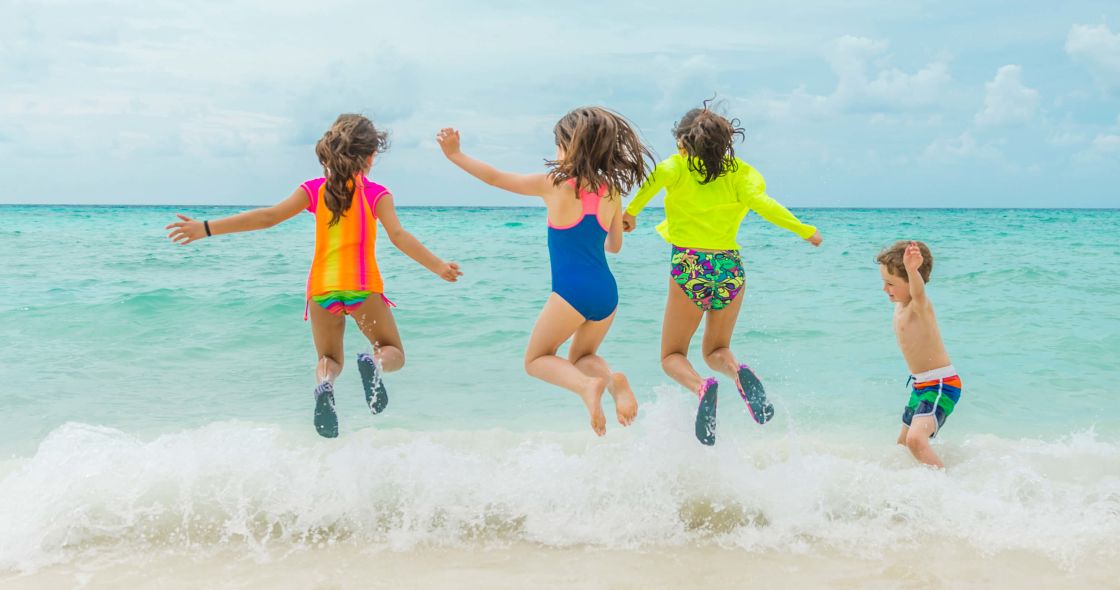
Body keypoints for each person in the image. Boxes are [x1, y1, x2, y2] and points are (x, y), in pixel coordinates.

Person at [166, 114, 462, 438]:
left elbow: (267, 217)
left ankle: (324, 384)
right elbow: (399, 236)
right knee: (392, 351)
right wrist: (438, 266)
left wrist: (206, 228)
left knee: (329, 358)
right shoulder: (377, 194)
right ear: (370, 156)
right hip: (362, 289)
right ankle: (374, 364)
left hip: (322, 291)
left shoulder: (315, 190)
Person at [435, 106, 654, 435]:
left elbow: (495, 178)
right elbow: (614, 246)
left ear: (569, 144)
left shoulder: (554, 184)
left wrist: (455, 155)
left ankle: (586, 387)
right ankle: (611, 381)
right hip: (606, 293)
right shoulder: (612, 192)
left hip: (571, 291)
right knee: (582, 355)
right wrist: (620, 222)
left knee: (536, 359)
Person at [623, 102, 822, 445]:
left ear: (682, 142)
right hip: (730, 267)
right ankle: (736, 372)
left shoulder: (675, 167)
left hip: (690, 264)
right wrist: (804, 230)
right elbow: (765, 205)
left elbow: (644, 194)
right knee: (716, 350)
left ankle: (701, 387)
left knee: (672, 356)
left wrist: (630, 215)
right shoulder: (743, 173)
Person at [876, 240, 960, 469]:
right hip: (920, 385)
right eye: (884, 282)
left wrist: (913, 270)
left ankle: (946, 488)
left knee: (915, 440)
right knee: (903, 444)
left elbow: (918, 291)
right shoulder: (900, 305)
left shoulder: (918, 305)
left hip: (941, 384)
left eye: (890, 283)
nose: (885, 289)